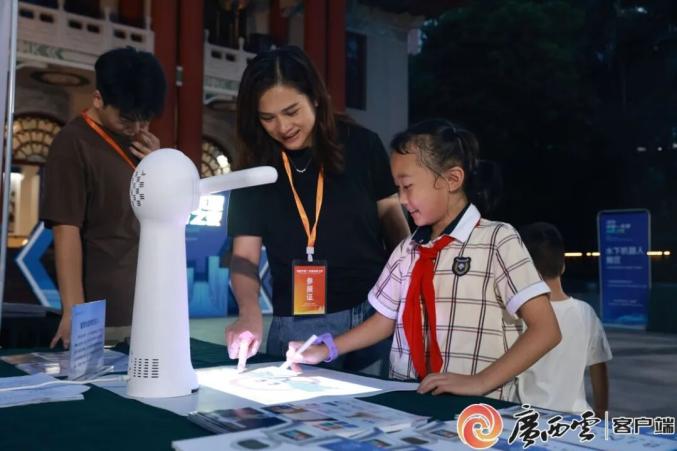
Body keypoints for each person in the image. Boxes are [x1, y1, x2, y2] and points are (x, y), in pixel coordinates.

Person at [285, 119, 562, 401]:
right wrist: (327, 348)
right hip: (409, 396)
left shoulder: (497, 240)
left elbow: (546, 330)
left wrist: (480, 382)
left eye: (407, 186)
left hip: (477, 407)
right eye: (398, 188)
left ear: (452, 179)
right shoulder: (407, 250)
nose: (402, 199)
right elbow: (384, 320)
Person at [225, 46, 410, 371]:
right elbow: (244, 258)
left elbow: (392, 220)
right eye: (268, 118)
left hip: (375, 315)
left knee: (380, 401)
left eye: (291, 111)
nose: (283, 126)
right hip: (299, 324)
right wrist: (248, 313)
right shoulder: (255, 169)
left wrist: (406, 289)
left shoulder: (362, 145)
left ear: (315, 98)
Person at [41, 47, 167, 348]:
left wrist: (161, 165)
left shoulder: (142, 145)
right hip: (106, 312)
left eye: (145, 119)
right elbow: (66, 230)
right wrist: (74, 311)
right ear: (98, 99)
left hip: (151, 304)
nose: (137, 128)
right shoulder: (73, 142)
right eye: (127, 120)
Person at [518, 222, 612, 416]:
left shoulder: (520, 316)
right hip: (576, 419)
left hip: (529, 418)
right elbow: (599, 367)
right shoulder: (585, 312)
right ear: (562, 266)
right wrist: (601, 413)